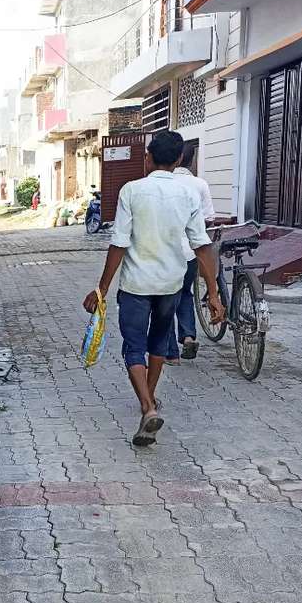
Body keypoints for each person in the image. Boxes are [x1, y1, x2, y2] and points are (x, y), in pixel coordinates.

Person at [83, 131, 225, 447]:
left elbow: (118, 242)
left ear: (148, 157)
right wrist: (213, 294)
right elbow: (202, 246)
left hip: (135, 285)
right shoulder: (188, 194)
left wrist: (101, 290)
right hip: (172, 283)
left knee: (134, 346)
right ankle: (149, 401)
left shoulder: (131, 191)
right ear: (178, 160)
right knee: (158, 341)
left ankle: (147, 407)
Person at [165, 144, 216, 363]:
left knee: (165, 299)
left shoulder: (164, 184)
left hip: (166, 251)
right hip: (192, 252)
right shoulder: (200, 184)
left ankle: (170, 353)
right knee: (185, 293)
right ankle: (187, 336)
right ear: (190, 160)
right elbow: (209, 220)